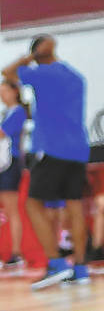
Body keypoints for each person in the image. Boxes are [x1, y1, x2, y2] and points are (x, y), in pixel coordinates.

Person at [2, 36, 92, 289]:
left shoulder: (41, 74)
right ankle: (81, 268)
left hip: (52, 148)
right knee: (74, 208)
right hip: (78, 149)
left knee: (32, 204)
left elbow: (7, 72)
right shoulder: (75, 76)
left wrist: (32, 57)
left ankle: (56, 263)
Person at [0, 79, 28, 267]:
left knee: (11, 209)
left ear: (14, 91)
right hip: (3, 163)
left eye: (4, 91)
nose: (2, 95)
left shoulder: (18, 112)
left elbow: (3, 134)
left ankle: (16, 252)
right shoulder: (7, 113)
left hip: (11, 163)